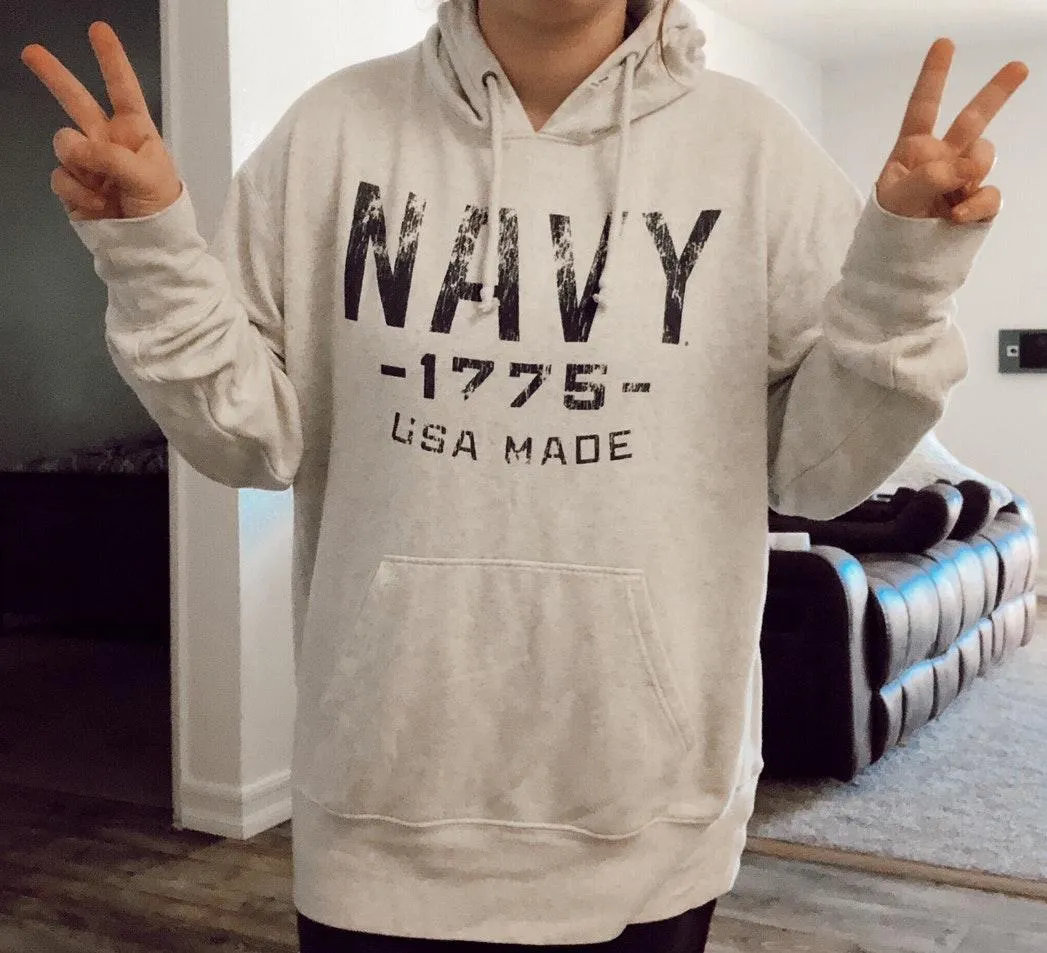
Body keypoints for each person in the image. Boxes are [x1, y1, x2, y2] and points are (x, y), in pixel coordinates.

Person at [21, 1, 1027, 950]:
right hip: (381, 816)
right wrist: (151, 253)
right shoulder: (332, 133)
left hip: (649, 820)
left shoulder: (753, 150)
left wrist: (902, 280)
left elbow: (818, 472)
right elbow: (249, 441)